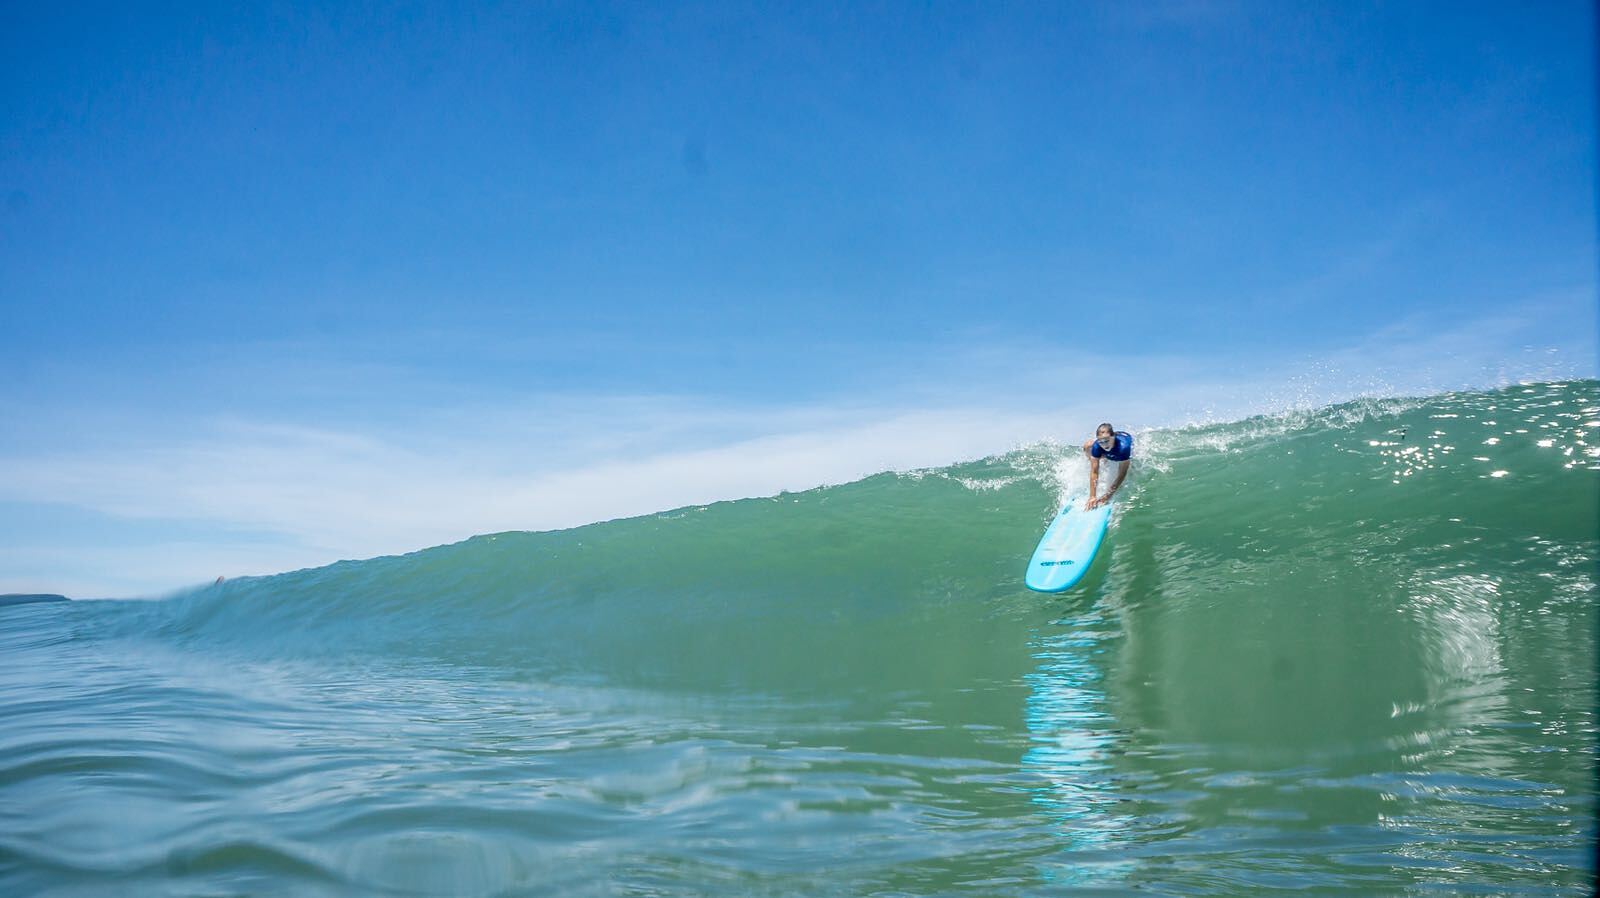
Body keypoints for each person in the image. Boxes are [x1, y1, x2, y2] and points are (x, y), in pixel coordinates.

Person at [1081, 422, 1133, 509]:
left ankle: (1102, 457)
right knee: (1087, 446)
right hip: (1110, 447)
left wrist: (1108, 495)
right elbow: (1094, 471)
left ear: (1113, 437)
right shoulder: (1098, 445)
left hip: (1123, 446)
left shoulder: (1123, 448)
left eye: (1106, 440)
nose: (1104, 444)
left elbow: (1122, 474)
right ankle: (1097, 459)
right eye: (1100, 441)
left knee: (1118, 459)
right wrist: (1092, 496)